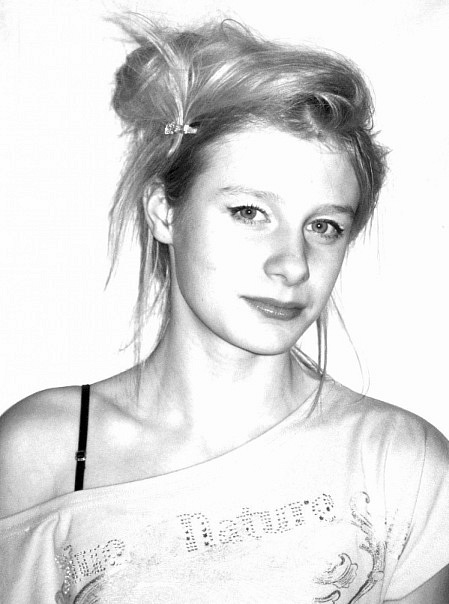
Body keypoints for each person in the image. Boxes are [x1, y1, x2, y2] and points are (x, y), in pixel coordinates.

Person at [0, 14, 448, 603]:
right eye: (249, 212)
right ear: (164, 212)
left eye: (324, 226)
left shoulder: (401, 464)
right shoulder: (42, 449)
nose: (293, 264)